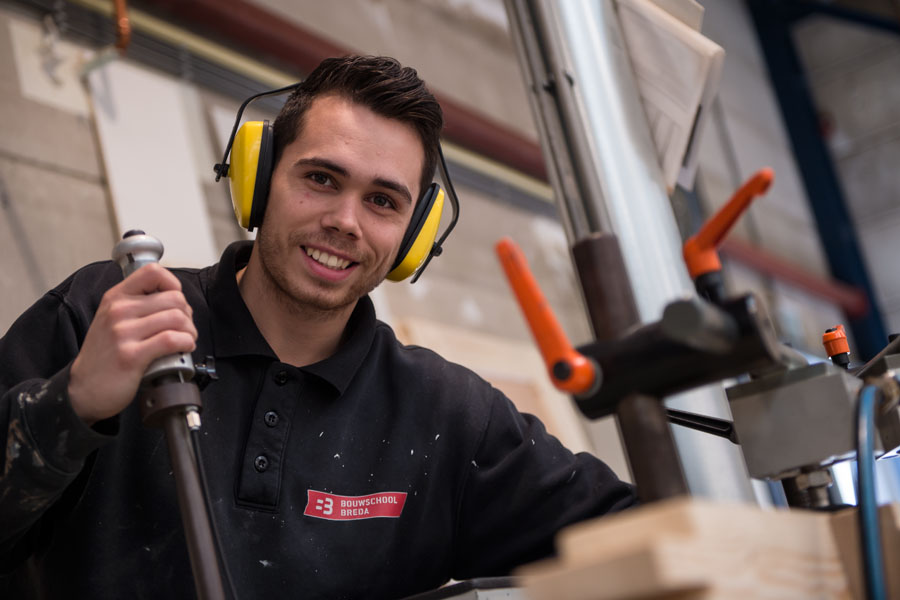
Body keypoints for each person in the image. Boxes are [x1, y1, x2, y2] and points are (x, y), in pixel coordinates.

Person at [0, 55, 634, 599]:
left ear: (414, 236)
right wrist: (71, 404)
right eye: (321, 178)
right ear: (260, 179)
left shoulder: (450, 420)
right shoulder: (108, 315)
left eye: (383, 201)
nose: (345, 221)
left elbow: (637, 539)